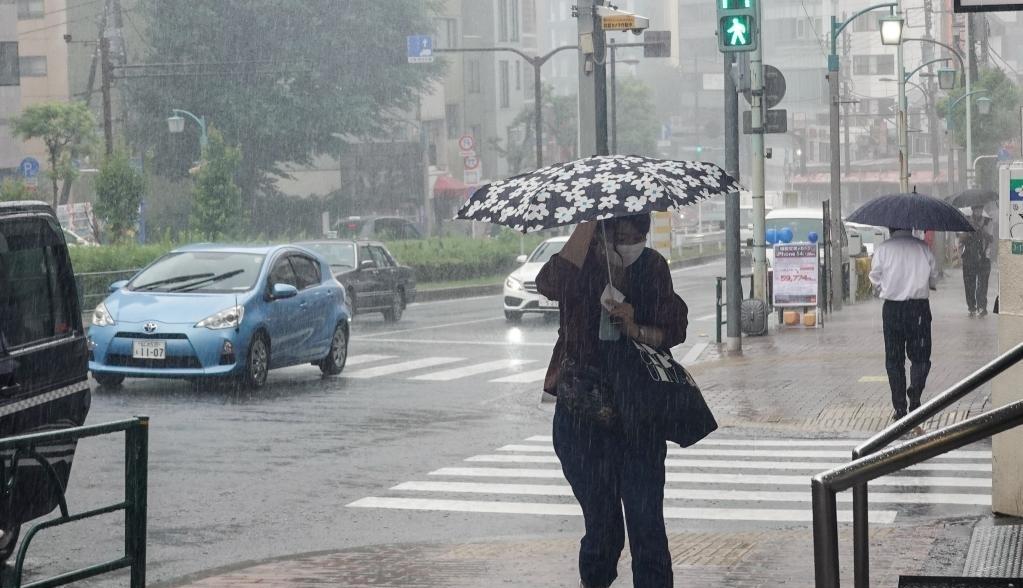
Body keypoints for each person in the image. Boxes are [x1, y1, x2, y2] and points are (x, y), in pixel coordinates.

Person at [536, 215, 689, 588]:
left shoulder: (652, 267)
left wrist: (635, 327)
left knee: (646, 527)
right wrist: (585, 224)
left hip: (637, 419)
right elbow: (548, 283)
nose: (627, 242)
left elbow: (675, 327)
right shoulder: (581, 264)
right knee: (603, 530)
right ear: (601, 234)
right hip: (581, 420)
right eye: (617, 234)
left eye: (634, 235)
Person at [869, 227, 939, 421]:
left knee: (894, 359)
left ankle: (900, 408)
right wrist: (926, 283)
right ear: (911, 227)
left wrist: (885, 289)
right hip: (918, 309)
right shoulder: (923, 248)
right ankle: (915, 393)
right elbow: (934, 276)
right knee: (921, 357)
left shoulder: (883, 249)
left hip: (892, 309)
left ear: (890, 228)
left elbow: (874, 278)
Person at [959, 206, 993, 317]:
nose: (978, 211)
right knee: (969, 284)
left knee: (983, 284)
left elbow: (991, 238)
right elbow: (961, 239)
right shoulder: (965, 220)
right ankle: (971, 306)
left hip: (984, 257)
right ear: (973, 210)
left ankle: (982, 306)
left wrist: (980, 230)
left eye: (980, 209)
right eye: (976, 209)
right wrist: (969, 230)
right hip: (969, 257)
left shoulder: (987, 221)